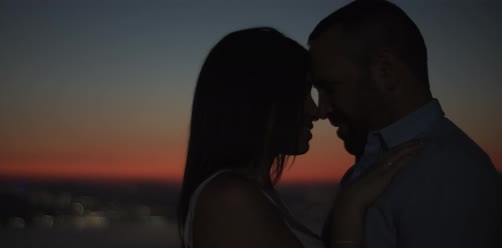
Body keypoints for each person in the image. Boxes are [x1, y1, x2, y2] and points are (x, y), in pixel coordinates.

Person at [177, 27, 421, 248]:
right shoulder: (230, 200)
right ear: (262, 101)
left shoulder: (251, 194)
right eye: (304, 93)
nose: (316, 111)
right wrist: (349, 210)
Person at [308, 1, 502, 248]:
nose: (322, 109)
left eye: (329, 88)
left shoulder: (448, 172)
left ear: (385, 71)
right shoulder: (388, 163)